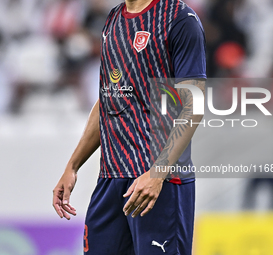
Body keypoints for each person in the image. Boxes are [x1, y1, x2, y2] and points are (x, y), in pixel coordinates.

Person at [53, 0, 206, 254]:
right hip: (112, 179)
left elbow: (193, 106)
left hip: (159, 182)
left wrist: (157, 174)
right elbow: (108, 98)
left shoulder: (179, 19)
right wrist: (72, 166)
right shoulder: (113, 20)